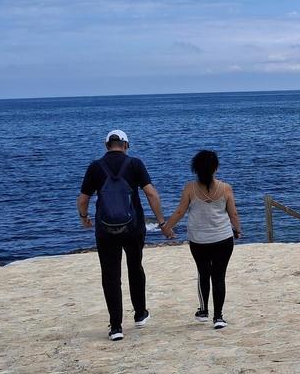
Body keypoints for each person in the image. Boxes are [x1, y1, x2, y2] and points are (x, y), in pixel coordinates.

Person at [77, 130, 167, 341]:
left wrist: (84, 217)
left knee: (110, 275)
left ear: (106, 144)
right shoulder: (135, 164)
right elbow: (151, 193)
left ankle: (116, 326)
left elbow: (83, 199)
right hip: (133, 227)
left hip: (105, 229)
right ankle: (140, 314)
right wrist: (162, 221)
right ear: (126, 144)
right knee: (135, 267)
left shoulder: (95, 167)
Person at [161, 150, 241, 329]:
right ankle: (218, 317)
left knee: (203, 273)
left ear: (195, 168)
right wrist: (238, 229)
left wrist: (167, 227)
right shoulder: (226, 188)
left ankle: (204, 311)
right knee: (219, 277)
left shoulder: (190, 188)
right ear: (216, 168)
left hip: (199, 240)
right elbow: (233, 213)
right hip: (223, 238)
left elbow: (180, 212)